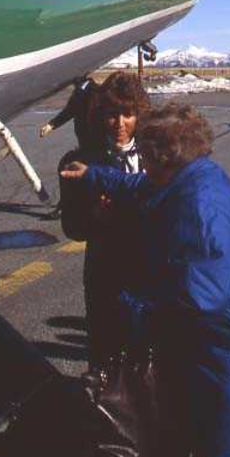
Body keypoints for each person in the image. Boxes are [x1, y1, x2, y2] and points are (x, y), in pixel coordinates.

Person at [61, 104, 230, 457]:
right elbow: (140, 184)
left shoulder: (201, 206)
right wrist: (96, 175)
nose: (141, 161)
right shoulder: (194, 175)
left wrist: (132, 308)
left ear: (162, 157)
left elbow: (201, 295)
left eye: (145, 153)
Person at [56, 71, 149, 366]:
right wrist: (94, 215)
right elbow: (72, 227)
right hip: (104, 274)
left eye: (128, 114)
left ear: (139, 115)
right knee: (104, 358)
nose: (119, 124)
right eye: (112, 115)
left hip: (149, 271)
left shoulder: (155, 155)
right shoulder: (81, 161)